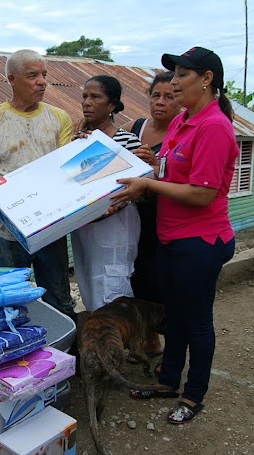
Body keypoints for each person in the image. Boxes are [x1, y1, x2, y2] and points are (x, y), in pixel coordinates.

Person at [112, 46, 238, 424]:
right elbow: (171, 172)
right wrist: (151, 170)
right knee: (176, 317)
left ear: (206, 79)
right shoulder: (185, 122)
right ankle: (169, 380)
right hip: (172, 238)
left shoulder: (214, 127)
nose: (175, 81)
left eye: (183, 74)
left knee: (196, 322)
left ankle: (194, 395)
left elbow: (202, 193)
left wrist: (147, 185)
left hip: (201, 242)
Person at [0, 49, 76, 320]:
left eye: (44, 75)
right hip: (7, 229)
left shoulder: (59, 118)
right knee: (10, 301)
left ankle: (65, 357)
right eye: (32, 75)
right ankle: (19, 355)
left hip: (50, 225)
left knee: (59, 299)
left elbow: (68, 169)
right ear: (12, 79)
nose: (42, 81)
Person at [70, 75, 144, 312]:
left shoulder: (127, 142)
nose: (86, 103)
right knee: (90, 288)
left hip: (115, 228)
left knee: (113, 289)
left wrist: (107, 208)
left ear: (111, 105)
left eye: (95, 97)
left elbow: (138, 189)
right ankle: (103, 344)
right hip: (85, 228)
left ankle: (119, 346)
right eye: (84, 96)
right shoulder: (78, 142)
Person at [121, 70, 180, 358]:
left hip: (164, 215)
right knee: (138, 276)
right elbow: (108, 144)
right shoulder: (136, 126)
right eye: (155, 95)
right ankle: (149, 340)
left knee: (161, 279)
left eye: (169, 96)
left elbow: (183, 178)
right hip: (134, 214)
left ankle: (169, 344)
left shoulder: (182, 133)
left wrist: (156, 165)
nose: (161, 102)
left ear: (179, 101)